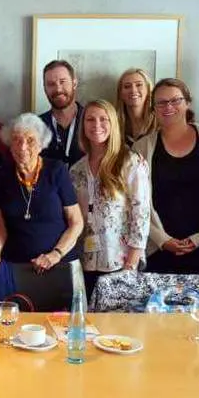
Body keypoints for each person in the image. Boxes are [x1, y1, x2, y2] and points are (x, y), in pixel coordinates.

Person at [133, 78, 199, 275]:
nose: (168, 107)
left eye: (175, 100)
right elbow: (135, 202)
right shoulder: (141, 147)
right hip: (158, 251)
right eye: (161, 102)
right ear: (153, 109)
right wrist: (162, 239)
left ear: (187, 103)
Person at [0, 113, 83, 286]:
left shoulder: (56, 171)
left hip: (60, 266)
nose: (22, 147)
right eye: (16, 140)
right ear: (9, 145)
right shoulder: (3, 176)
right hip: (17, 267)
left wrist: (55, 254)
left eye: (30, 140)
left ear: (41, 144)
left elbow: (76, 222)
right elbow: (0, 225)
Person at [70, 100, 150, 297]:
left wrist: (131, 262)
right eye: (90, 119)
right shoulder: (76, 170)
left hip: (120, 261)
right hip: (84, 262)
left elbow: (141, 213)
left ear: (113, 123)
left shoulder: (130, 162)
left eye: (103, 119)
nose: (96, 125)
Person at [38, 60, 85, 167]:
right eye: (51, 84)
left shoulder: (93, 122)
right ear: (45, 88)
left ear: (74, 83)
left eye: (62, 81)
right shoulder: (36, 126)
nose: (58, 89)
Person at [115, 68, 156, 145]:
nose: (133, 90)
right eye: (127, 86)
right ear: (120, 93)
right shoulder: (114, 124)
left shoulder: (159, 122)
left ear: (148, 90)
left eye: (139, 85)